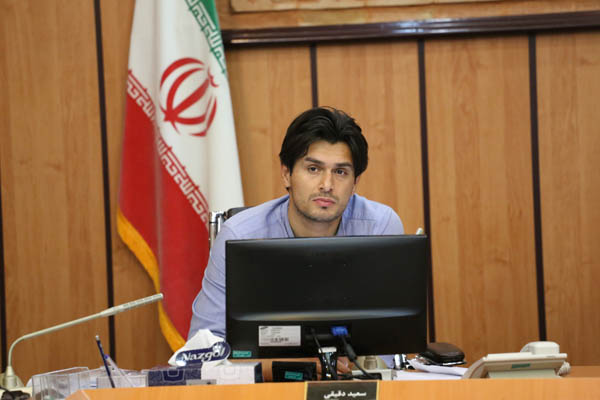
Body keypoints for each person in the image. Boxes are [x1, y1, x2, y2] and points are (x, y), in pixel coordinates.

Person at [188, 107, 404, 377]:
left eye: (340, 172)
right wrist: (290, 368)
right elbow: (201, 353)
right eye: (313, 169)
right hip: (267, 387)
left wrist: (357, 367)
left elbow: (390, 345)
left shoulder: (380, 228)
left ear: (355, 182)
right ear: (286, 174)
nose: (327, 184)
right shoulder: (239, 235)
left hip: (356, 383)